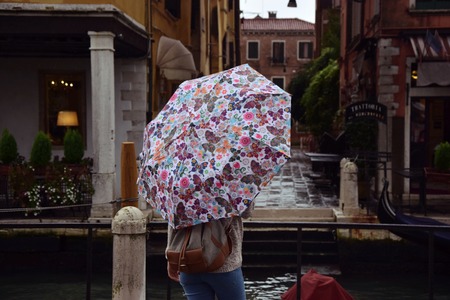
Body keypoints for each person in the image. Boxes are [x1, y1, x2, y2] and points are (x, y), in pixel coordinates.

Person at [167, 202, 254, 300]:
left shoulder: (180, 189)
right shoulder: (230, 187)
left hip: (188, 261)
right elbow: (246, 212)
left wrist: (171, 259)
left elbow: (173, 222)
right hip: (225, 263)